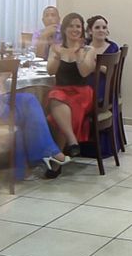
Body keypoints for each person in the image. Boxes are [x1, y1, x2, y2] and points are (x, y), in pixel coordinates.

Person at [0, 19, 70, 180]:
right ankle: (49, 153)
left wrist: (2, 75)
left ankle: (23, 168)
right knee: (27, 108)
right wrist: (1, 78)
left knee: (28, 101)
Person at [46, 12, 96, 170]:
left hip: (82, 92)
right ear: (64, 29)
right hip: (61, 92)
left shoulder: (89, 49)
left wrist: (78, 55)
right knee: (56, 98)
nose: (75, 29)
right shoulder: (57, 48)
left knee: (59, 111)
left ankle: (56, 162)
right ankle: (72, 142)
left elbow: (84, 72)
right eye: (71, 26)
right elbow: (50, 71)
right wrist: (56, 56)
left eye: (78, 26)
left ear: (82, 29)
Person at [82, 14, 120, 158]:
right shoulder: (84, 46)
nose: (101, 30)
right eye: (97, 27)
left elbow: (109, 71)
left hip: (103, 89)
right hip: (85, 83)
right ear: (90, 31)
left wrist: (94, 66)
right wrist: (97, 66)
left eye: (104, 27)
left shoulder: (112, 47)